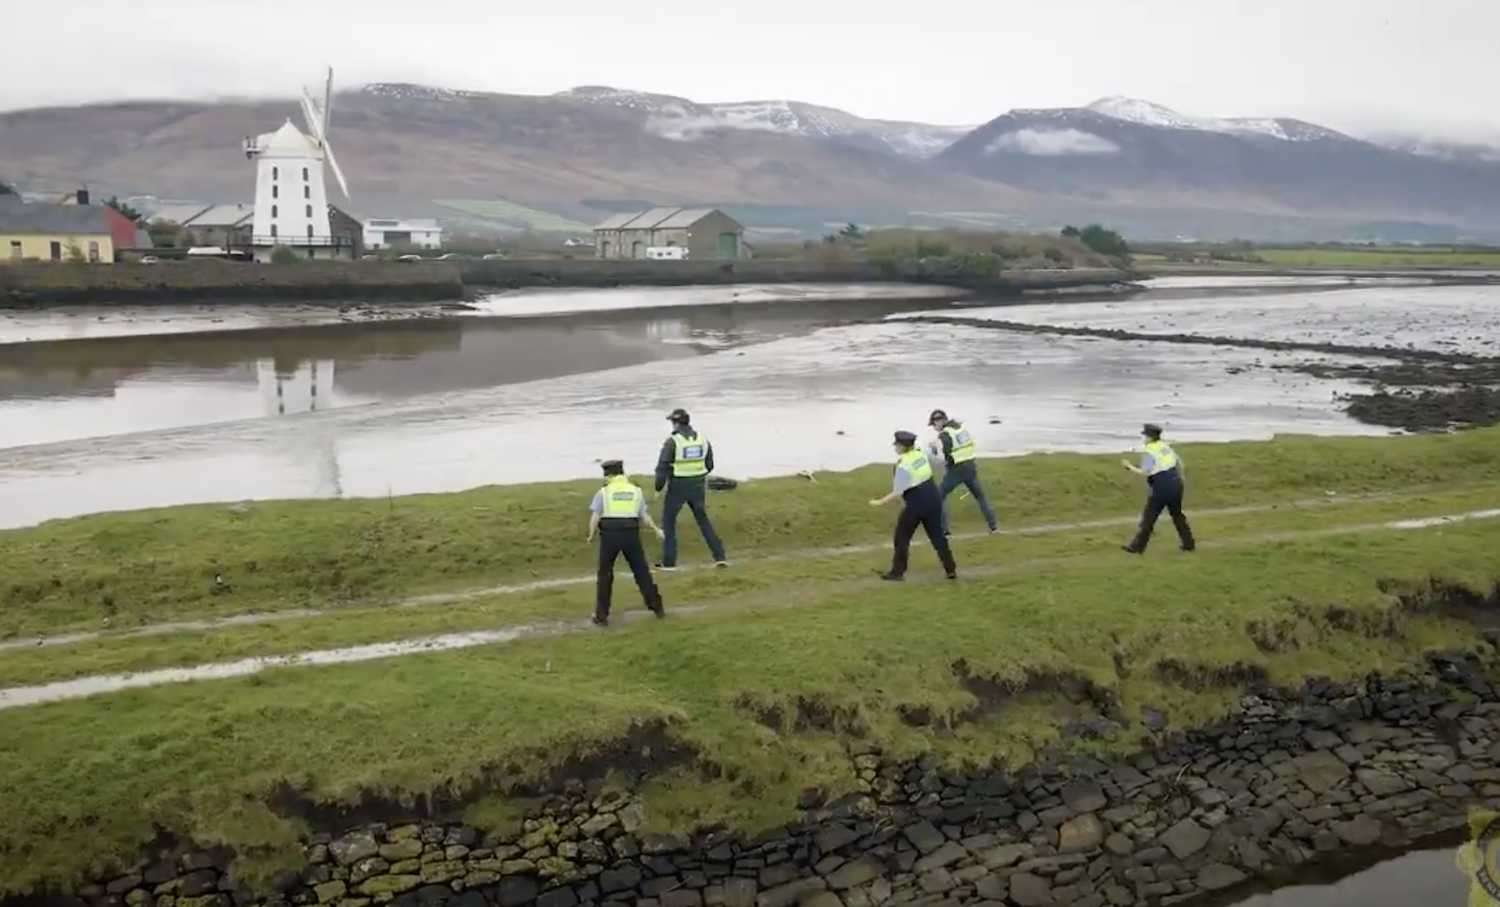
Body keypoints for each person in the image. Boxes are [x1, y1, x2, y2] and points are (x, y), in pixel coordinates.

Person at [869, 430, 958, 581]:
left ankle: (897, 572)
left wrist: (879, 502)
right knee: (938, 536)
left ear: (903, 446)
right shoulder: (920, 454)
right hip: (934, 497)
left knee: (902, 536)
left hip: (917, 503)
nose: (895, 447)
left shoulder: (903, 464)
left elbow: (898, 491)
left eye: (897, 444)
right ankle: (950, 569)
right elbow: (937, 463)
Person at [587, 459, 666, 626]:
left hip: (609, 534)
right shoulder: (635, 491)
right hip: (631, 534)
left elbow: (595, 516)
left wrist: (591, 534)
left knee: (605, 574)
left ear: (608, 474)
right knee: (641, 571)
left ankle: (601, 615)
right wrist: (656, 530)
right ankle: (657, 607)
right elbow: (644, 515)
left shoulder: (604, 492)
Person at [654, 408, 728, 570]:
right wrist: (697, 475)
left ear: (675, 423)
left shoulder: (672, 442)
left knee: (669, 522)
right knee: (703, 521)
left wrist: (658, 487)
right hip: (698, 485)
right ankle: (720, 557)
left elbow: (662, 467)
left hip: (678, 486)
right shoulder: (702, 440)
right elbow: (709, 465)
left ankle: (669, 563)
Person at [1120, 423, 1196, 554]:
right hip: (1175, 483)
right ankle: (1188, 544)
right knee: (1177, 515)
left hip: (1161, 486)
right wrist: (1181, 479)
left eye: (1145, 435)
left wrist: (1129, 467)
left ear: (1150, 437)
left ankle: (1137, 547)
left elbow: (1146, 471)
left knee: (1149, 517)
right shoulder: (1165, 446)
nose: (1143, 438)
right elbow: (1179, 463)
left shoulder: (1149, 451)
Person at [928, 409, 999, 536]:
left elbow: (947, 455)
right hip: (970, 465)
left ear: (940, 421)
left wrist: (936, 456)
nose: (934, 427)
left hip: (957, 468)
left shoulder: (945, 435)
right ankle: (993, 525)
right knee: (980, 496)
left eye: (934, 424)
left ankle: (943, 530)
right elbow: (970, 445)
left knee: (940, 495)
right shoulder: (960, 428)